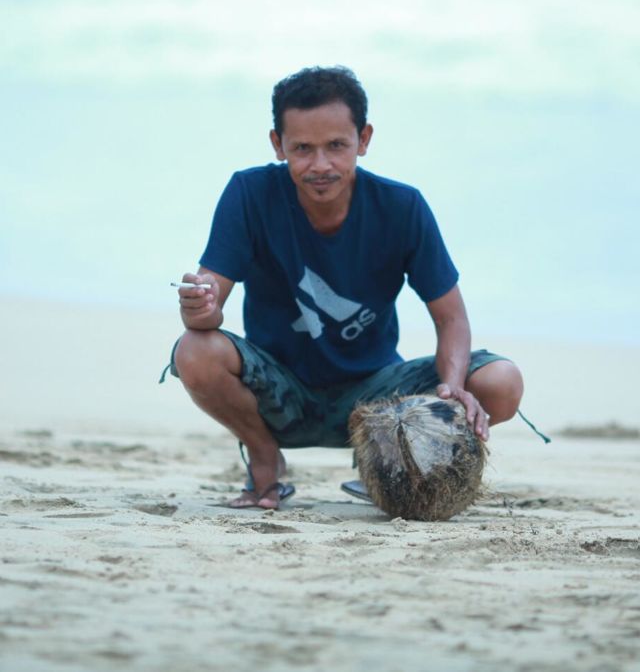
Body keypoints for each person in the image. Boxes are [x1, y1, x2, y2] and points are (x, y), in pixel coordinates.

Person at [166, 66, 523, 509]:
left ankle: (385, 465)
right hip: (278, 390)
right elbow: (210, 304)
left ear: (364, 139)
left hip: (378, 399)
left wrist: (449, 393)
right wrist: (198, 307)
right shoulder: (250, 193)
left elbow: (451, 318)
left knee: (501, 381)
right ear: (278, 144)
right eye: (302, 148)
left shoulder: (401, 206)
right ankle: (263, 455)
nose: (321, 165)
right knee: (194, 350)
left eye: (336, 145)